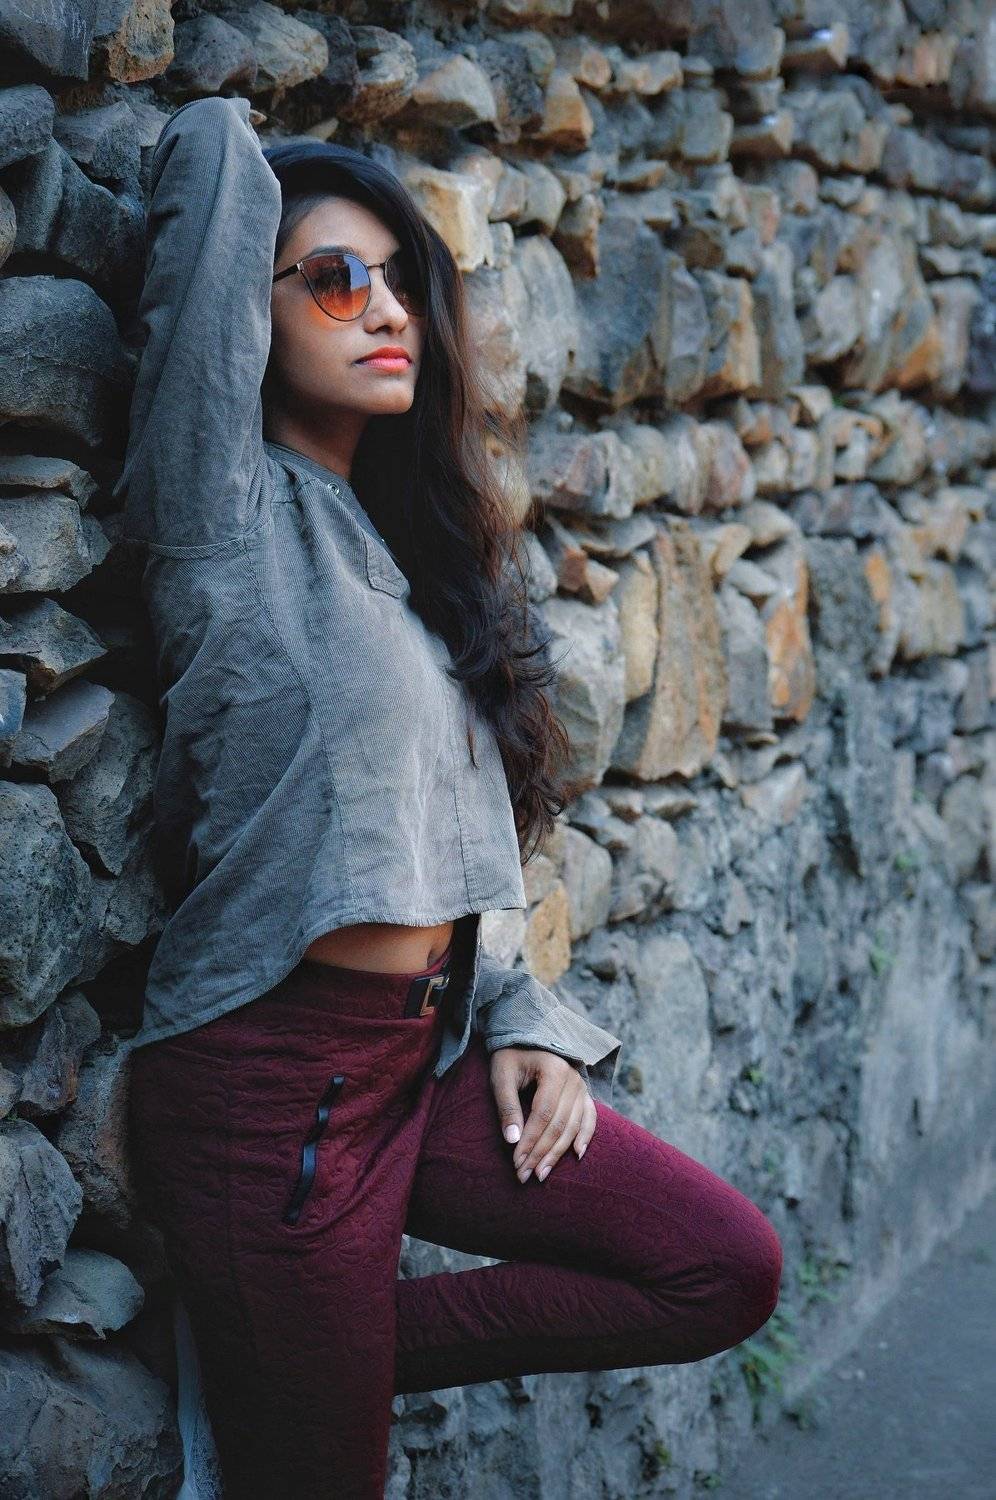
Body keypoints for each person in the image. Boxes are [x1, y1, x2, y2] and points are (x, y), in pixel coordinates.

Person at [118, 93, 783, 1500]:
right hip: (269, 1099)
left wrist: (524, 1020)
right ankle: (299, 1359)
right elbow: (210, 191)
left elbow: (460, 844)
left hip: (418, 1070)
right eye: (333, 280)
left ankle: (306, 1355)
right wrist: (258, 138)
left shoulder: (417, 564)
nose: (387, 311)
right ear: (252, 313)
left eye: (402, 281)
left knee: (719, 1267)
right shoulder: (220, 513)